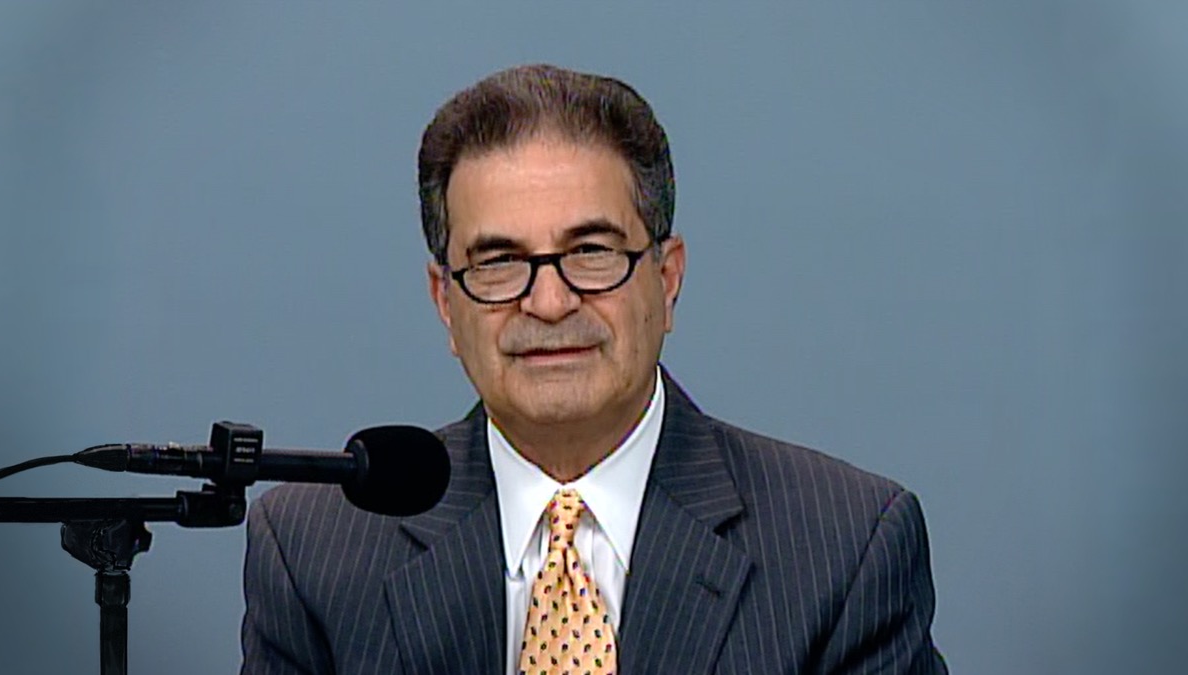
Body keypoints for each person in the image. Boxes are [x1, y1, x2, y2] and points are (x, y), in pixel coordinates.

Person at [241, 64, 946, 675]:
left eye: (591, 252)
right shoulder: (313, 553)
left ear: (667, 280)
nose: (548, 303)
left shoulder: (845, 547)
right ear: (445, 302)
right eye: (499, 262)